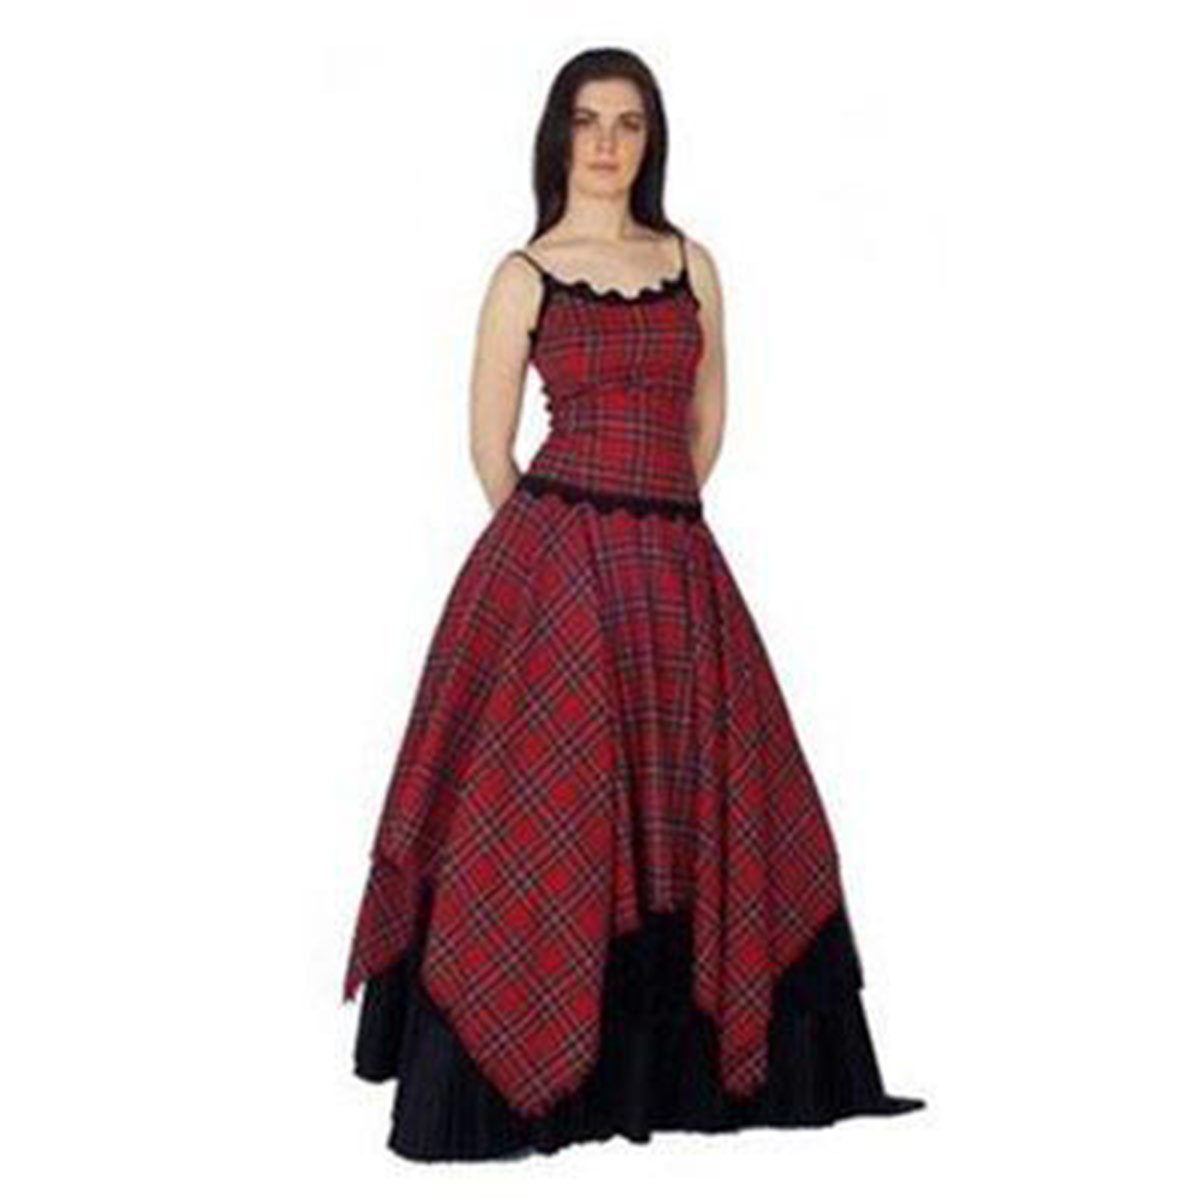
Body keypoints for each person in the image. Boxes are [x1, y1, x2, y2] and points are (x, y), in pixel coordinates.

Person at [342, 46, 926, 1162]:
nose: (607, 142)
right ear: (556, 137)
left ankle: (668, 1076)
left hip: (675, 569)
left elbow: (707, 428)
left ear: (651, 141)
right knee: (546, 817)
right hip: (557, 575)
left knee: (716, 817)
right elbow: (488, 448)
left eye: (628, 123)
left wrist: (651, 526)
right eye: (587, 120)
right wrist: (561, 557)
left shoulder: (692, 263)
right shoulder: (524, 274)